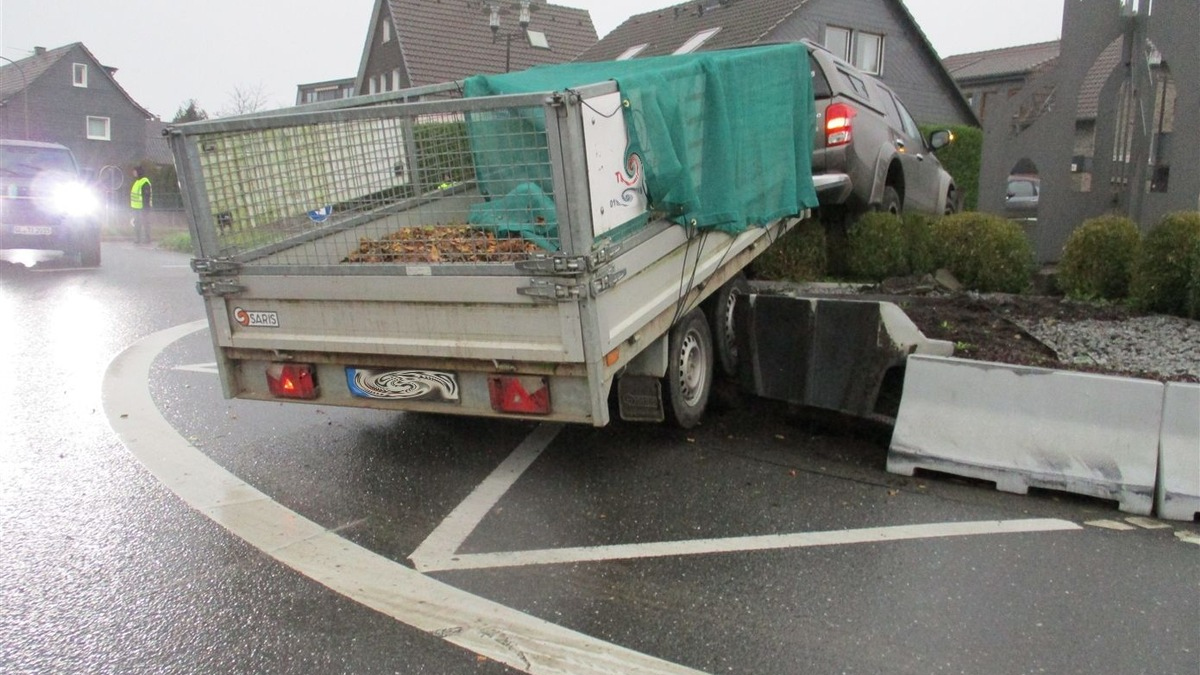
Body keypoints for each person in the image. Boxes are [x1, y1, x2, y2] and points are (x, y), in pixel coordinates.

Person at [130, 167, 153, 244]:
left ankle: (147, 239)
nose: (134, 173)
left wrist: (145, 208)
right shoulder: (137, 181)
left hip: (143, 207)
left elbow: (146, 195)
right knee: (137, 224)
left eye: (135, 172)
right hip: (136, 207)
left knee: (145, 223)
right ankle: (138, 239)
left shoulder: (144, 182)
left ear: (139, 172)